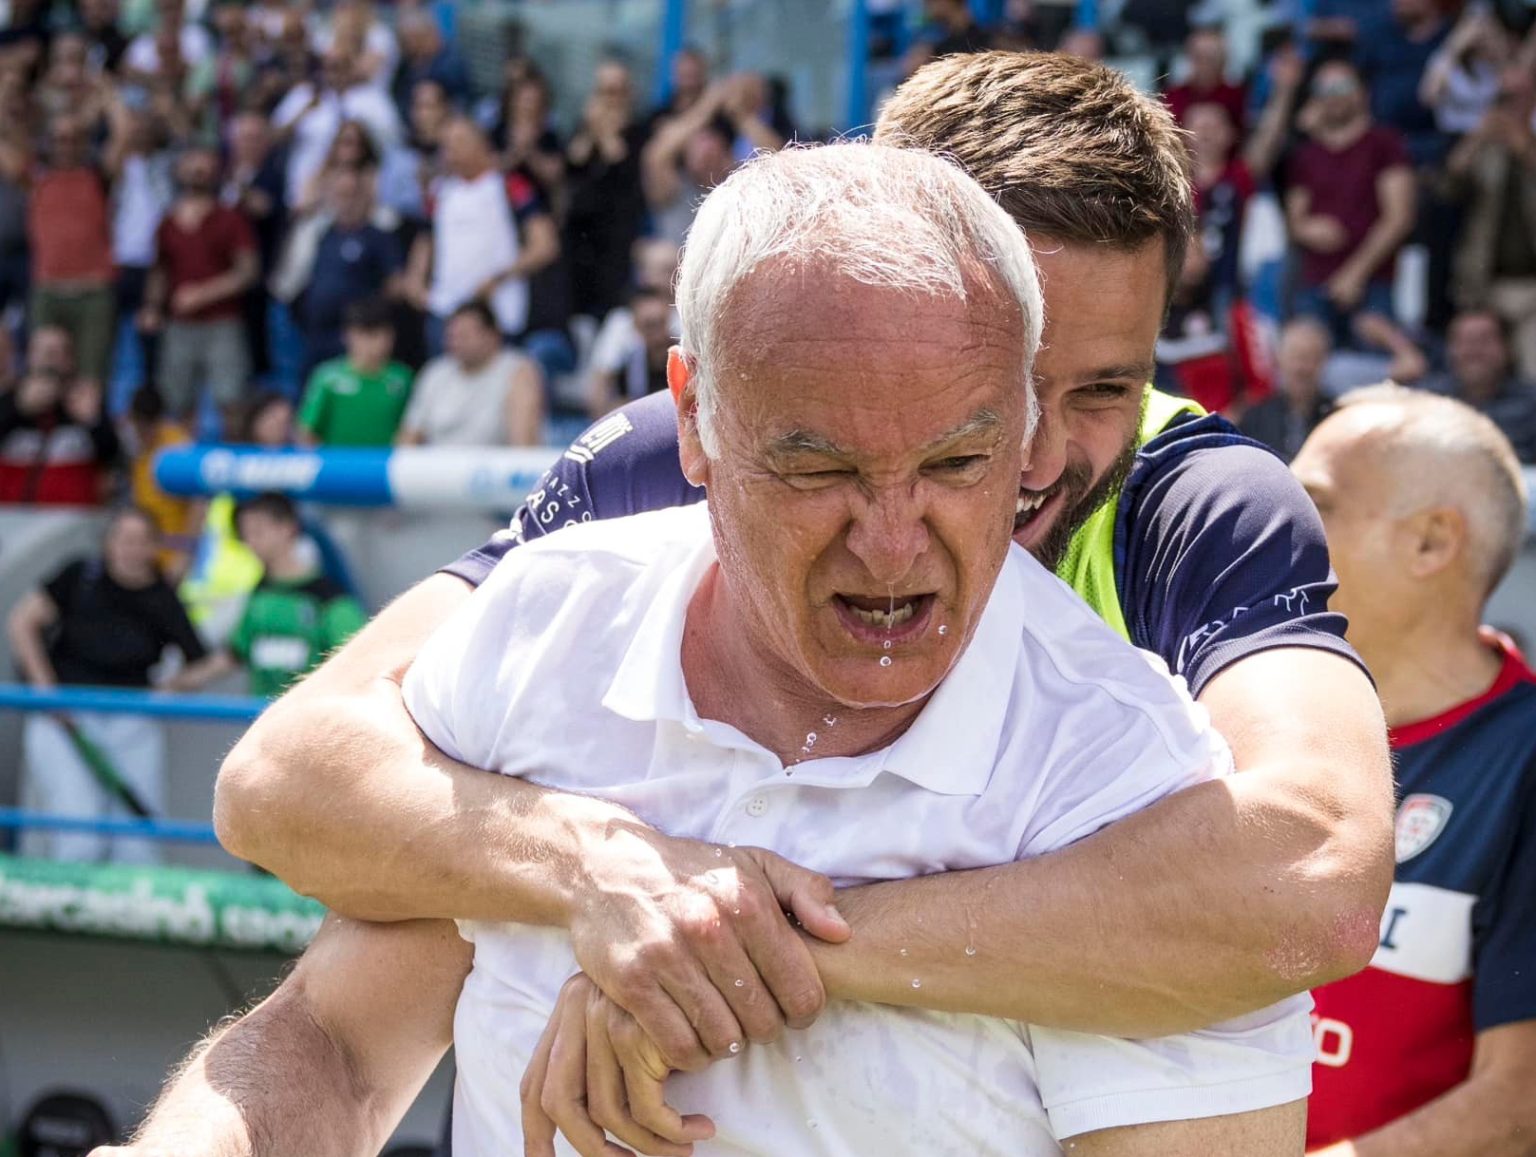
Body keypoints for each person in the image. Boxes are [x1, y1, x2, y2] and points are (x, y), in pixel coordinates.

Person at [212, 46, 1389, 1121]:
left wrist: (728, 940)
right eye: (1007, 380)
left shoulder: (1204, 497)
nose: (1037, 455)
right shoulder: (668, 457)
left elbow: (1319, 873)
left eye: (1102, 391)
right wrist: (597, 867)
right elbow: (294, 773)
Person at [1291, 386, 1536, 1155]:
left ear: (1433, 542)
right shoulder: (1253, 713)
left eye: (1313, 505)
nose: (1268, 529)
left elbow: (1517, 1105)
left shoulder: (1523, 762)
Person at [7, 506, 226, 864]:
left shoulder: (162, 597)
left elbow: (200, 661)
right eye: (123, 539)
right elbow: (22, 622)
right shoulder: (80, 575)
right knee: (79, 830)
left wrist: (170, 688)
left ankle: (129, 914)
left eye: (142, 541)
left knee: (137, 839)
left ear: (155, 547)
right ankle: (69, 912)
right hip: (66, 717)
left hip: (131, 719)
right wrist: (46, 691)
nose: (131, 549)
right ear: (108, 543)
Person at [1285, 59, 1416, 345]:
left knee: (1375, 377)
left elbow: (1400, 217)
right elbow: (1295, 221)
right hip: (1314, 282)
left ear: (1362, 92)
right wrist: (1308, 229)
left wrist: (1355, 273)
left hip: (1373, 282)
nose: (1334, 93)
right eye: (1324, 87)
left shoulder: (1385, 143)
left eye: (1343, 85)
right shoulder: (1307, 153)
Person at [191, 492, 367, 699]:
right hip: (264, 720)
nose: (251, 541)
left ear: (288, 528)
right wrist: (182, 682)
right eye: (245, 534)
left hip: (312, 721)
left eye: (258, 531)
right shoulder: (260, 594)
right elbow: (236, 653)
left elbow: (357, 666)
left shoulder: (330, 600)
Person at [405, 117, 558, 355]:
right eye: (445, 145)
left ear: (481, 143)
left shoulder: (509, 185)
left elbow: (545, 244)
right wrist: (415, 280)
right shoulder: (439, 192)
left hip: (496, 313)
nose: (450, 151)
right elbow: (427, 237)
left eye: (458, 142)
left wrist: (499, 277)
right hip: (445, 312)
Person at [139, 144, 259, 429]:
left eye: (204, 165)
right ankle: (182, 471)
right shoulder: (167, 222)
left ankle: (229, 468)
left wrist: (202, 294)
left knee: (232, 403)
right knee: (177, 404)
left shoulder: (230, 219)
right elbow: (160, 270)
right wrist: (152, 307)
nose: (197, 171)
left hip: (223, 322)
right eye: (191, 163)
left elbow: (248, 271)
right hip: (179, 324)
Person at [1446, 64, 1536, 381]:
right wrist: (1475, 139)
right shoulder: (1487, 148)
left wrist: (1521, 143)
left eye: (1513, 96)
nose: (1505, 105)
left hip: (1531, 285)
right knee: (1478, 374)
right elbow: (1448, 187)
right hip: (1487, 281)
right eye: (1500, 97)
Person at [298, 162, 402, 369]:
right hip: (316, 333)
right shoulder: (324, 234)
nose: (346, 201)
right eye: (340, 194)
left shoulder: (378, 237)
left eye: (352, 193)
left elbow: (395, 284)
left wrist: (370, 322)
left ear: (365, 197)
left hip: (355, 336)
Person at [396, 300, 541, 447]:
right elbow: (409, 436)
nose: (456, 343)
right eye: (452, 336)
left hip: (491, 467)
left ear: (492, 336)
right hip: (436, 466)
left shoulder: (517, 371)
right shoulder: (435, 372)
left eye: (464, 336)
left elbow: (523, 445)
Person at [297, 296, 413, 448]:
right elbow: (306, 431)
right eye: (367, 335)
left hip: (385, 467)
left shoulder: (402, 378)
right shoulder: (328, 378)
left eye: (382, 335)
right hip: (338, 467)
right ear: (348, 336)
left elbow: (410, 430)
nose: (375, 343)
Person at [1423, 310, 1536, 463]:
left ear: (1508, 348)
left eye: (1485, 340)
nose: (1474, 350)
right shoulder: (1426, 401)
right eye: (1464, 341)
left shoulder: (1531, 402)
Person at [0, 367, 117, 504]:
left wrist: (91, 419)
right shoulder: (10, 409)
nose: (45, 391)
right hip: (12, 517)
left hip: (74, 517)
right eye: (40, 381)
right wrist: (18, 408)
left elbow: (110, 454)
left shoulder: (79, 410)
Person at [1240, 317, 1334, 461]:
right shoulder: (1255, 417)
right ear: (1279, 359)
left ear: (1324, 362)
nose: (1301, 368)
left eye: (1311, 358)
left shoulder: (1335, 416)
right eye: (1295, 356)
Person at [585, 285, 672, 417]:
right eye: (649, 325)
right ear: (636, 324)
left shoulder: (682, 348)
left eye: (661, 323)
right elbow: (599, 391)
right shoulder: (623, 340)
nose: (657, 334)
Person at [1164, 25, 1248, 136]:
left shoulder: (1238, 97)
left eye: (1211, 58)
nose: (1205, 65)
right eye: (1199, 57)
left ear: (1223, 61)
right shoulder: (1172, 96)